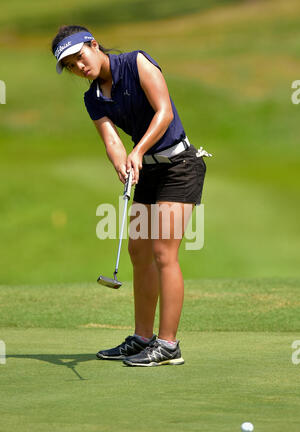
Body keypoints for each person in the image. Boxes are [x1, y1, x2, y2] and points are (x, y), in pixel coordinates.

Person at [51, 25, 211, 367]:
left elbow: (164, 111)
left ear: (94, 45)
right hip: (147, 171)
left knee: (163, 251)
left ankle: (169, 346)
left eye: (80, 57)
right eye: (70, 65)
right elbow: (110, 139)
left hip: (179, 165)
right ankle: (142, 338)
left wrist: (136, 151)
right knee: (139, 251)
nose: (79, 67)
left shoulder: (136, 63)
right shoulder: (92, 98)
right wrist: (122, 163)